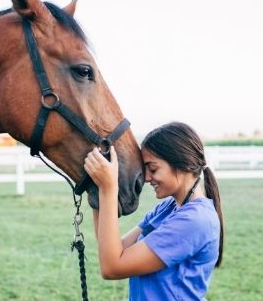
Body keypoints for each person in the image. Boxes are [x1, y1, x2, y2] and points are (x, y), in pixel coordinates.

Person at [84, 121, 224, 300]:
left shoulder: (196, 220)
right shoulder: (168, 208)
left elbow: (112, 268)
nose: (147, 178)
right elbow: (113, 249)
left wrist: (108, 189)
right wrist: (97, 189)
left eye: (153, 168)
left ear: (183, 164)